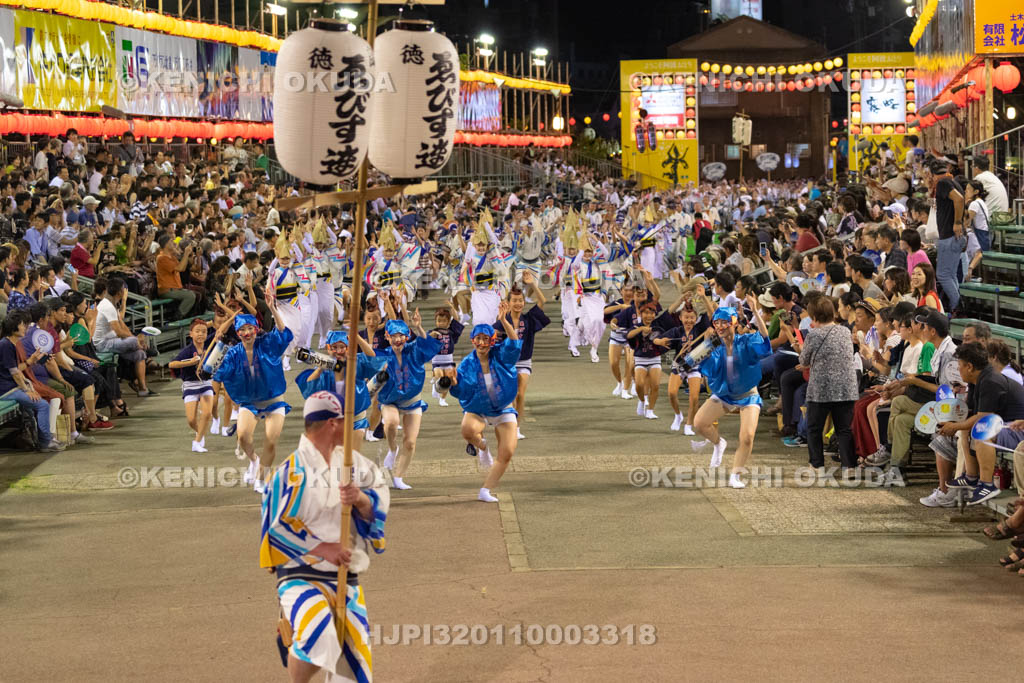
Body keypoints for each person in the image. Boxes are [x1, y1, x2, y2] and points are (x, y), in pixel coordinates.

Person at [259, 391, 388, 683]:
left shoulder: (352, 469)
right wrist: (322, 548)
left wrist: (361, 500)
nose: (350, 426)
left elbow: (373, 519)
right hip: (299, 575)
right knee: (320, 637)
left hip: (345, 577)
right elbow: (275, 529)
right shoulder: (290, 472)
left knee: (355, 669)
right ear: (332, 423)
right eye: (345, 421)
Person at [211, 302, 293, 494]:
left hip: (274, 400)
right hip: (250, 402)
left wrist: (273, 310)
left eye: (250, 328)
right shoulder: (232, 353)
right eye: (242, 330)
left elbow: (283, 333)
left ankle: (261, 477)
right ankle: (254, 461)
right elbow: (219, 373)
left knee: (271, 440)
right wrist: (214, 353)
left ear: (256, 329)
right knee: (243, 436)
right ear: (237, 333)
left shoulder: (268, 345)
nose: (247, 333)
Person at [691, 300, 772, 488]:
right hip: (725, 394)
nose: (719, 326)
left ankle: (735, 475)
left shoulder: (746, 341)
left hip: (747, 395)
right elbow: (693, 362)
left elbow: (765, 340)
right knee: (699, 424)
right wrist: (700, 349)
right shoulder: (713, 346)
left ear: (733, 322)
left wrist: (755, 312)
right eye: (716, 323)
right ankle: (719, 443)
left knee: (747, 437)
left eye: (724, 322)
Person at [449, 309, 523, 503]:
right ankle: (482, 447)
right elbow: (462, 393)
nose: (481, 343)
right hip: (478, 408)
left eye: (485, 339)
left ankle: (485, 490)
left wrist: (504, 322)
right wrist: (455, 384)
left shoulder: (501, 355)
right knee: (467, 430)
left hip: (503, 407)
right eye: (478, 339)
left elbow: (515, 344)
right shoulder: (466, 364)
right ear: (473, 341)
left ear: (492, 341)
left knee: (506, 453)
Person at [942, 342, 1024, 505]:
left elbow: (982, 417)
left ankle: (988, 485)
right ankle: (971, 477)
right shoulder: (976, 380)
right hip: (1003, 424)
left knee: (982, 433)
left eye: (960, 366)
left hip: (1018, 428)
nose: (958, 370)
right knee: (966, 429)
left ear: (970, 367)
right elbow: (970, 413)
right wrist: (950, 422)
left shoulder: (991, 381)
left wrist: (954, 426)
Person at [377, 314, 442, 490]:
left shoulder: (413, 350)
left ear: (406, 337)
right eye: (394, 336)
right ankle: (392, 449)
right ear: (387, 337)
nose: (398, 340)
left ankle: (398, 477)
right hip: (390, 400)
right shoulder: (382, 356)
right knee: (391, 422)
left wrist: (419, 327)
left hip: (412, 400)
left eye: (401, 336)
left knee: (410, 442)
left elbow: (428, 343)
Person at [295, 329, 383, 452]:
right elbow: (310, 388)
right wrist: (320, 367)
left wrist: (356, 337)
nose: (339, 351)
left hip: (356, 417)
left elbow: (372, 359)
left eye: (343, 347)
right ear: (328, 348)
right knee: (335, 459)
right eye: (334, 347)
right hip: (333, 419)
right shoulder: (324, 367)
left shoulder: (356, 362)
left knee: (352, 458)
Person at [799, 296, 859, 471]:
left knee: (814, 427)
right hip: (846, 387)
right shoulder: (845, 332)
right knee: (844, 429)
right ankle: (850, 467)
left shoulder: (813, 335)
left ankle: (817, 465)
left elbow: (804, 360)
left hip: (821, 388)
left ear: (814, 317)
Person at [0, 310, 64, 452]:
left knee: (33, 405)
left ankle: (38, 439)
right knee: (42, 405)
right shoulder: (6, 345)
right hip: (5, 390)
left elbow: (17, 369)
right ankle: (45, 442)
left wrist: (31, 361)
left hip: (10, 387)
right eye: (23, 325)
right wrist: (27, 390)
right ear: (14, 326)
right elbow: (15, 373)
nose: (26, 328)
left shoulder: (10, 343)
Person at [495, 274, 549, 438]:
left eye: (520, 301)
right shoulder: (502, 320)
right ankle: (510, 425)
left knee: (520, 393)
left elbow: (542, 301)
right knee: (511, 394)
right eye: (514, 301)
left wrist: (532, 284)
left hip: (524, 361)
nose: (518, 304)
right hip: (507, 363)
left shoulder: (529, 318)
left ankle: (517, 427)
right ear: (508, 303)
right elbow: (494, 340)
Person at [93, 277, 154, 397]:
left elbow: (123, 325)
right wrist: (137, 340)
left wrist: (135, 339)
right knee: (137, 343)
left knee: (139, 354)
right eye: (124, 289)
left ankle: (142, 389)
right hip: (103, 343)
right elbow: (119, 332)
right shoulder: (107, 305)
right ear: (120, 292)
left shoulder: (112, 304)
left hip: (112, 341)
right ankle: (148, 351)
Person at [656, 301, 709, 435]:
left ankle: (689, 424)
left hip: (695, 364)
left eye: (692, 317)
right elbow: (656, 339)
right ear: (680, 318)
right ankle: (678, 415)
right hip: (679, 364)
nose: (689, 320)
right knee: (672, 393)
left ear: (696, 318)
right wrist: (659, 341)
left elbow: (710, 314)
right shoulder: (676, 331)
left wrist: (703, 297)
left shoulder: (700, 329)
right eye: (686, 317)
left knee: (694, 397)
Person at [168, 319, 215, 453]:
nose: (200, 334)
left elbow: (220, 329)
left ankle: (197, 441)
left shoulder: (209, 346)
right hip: (190, 385)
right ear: (191, 334)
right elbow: (171, 364)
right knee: (191, 419)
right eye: (197, 331)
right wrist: (190, 362)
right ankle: (200, 433)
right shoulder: (187, 351)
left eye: (204, 331)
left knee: (207, 413)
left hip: (206, 383)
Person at [929, 160, 965, 312]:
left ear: (932, 174)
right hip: (954, 237)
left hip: (949, 236)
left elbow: (959, 199)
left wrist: (957, 222)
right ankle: (958, 307)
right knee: (950, 275)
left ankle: (958, 308)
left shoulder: (943, 183)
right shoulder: (953, 181)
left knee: (943, 275)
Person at [156, 234, 198, 319]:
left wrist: (186, 253)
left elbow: (184, 266)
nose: (174, 243)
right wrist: (186, 253)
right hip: (167, 290)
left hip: (175, 289)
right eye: (171, 242)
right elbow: (180, 268)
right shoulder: (161, 258)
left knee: (196, 294)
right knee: (190, 296)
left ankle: (187, 317)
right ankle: (177, 317)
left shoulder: (172, 257)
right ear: (166, 245)